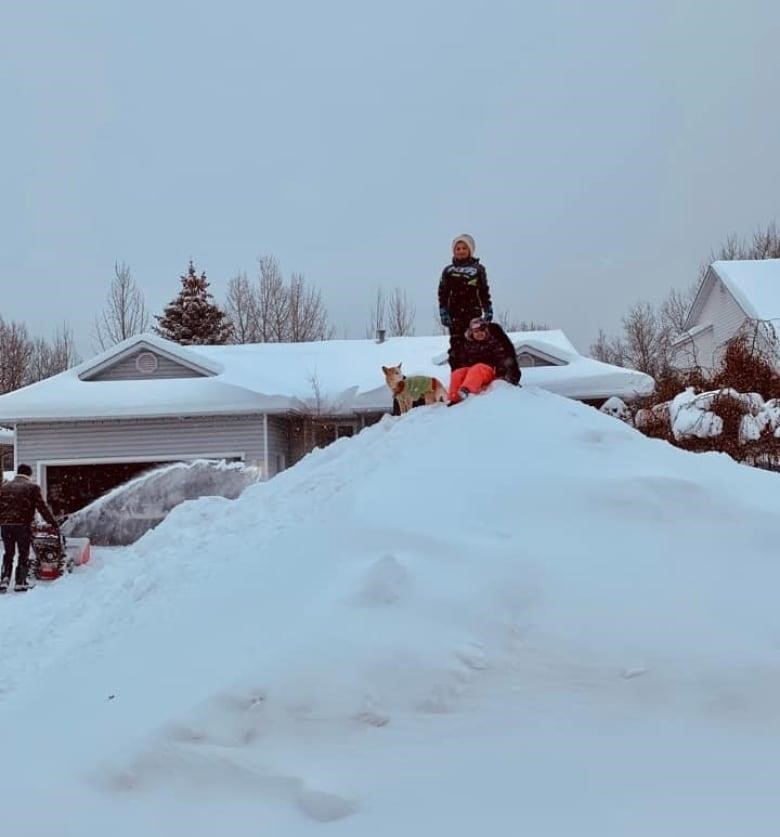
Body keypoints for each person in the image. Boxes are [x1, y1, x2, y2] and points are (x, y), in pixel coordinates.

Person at [0, 463, 59, 592]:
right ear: (29, 475)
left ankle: (4, 579)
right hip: (22, 525)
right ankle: (20, 582)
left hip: (5, 526)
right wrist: (53, 523)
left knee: (8, 553)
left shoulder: (4, 487)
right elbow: (42, 507)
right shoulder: (32, 487)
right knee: (23, 553)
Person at [438, 234, 493, 369]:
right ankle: (457, 373)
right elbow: (443, 292)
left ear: (470, 250)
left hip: (473, 312)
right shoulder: (448, 270)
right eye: (458, 248)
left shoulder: (478, 269)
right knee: (457, 344)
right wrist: (443, 311)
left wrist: (488, 308)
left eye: (464, 248)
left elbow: (484, 291)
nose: (461, 251)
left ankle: (475, 374)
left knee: (474, 343)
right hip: (454, 314)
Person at [448, 317, 521, 404]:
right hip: (473, 372)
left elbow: (501, 357)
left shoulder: (492, 342)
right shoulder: (468, 345)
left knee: (478, 368)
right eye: (476, 332)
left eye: (481, 331)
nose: (479, 334)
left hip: (489, 371)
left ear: (486, 331)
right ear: (471, 333)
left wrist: (502, 371)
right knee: (458, 372)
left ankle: (466, 391)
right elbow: (463, 360)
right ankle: (454, 396)